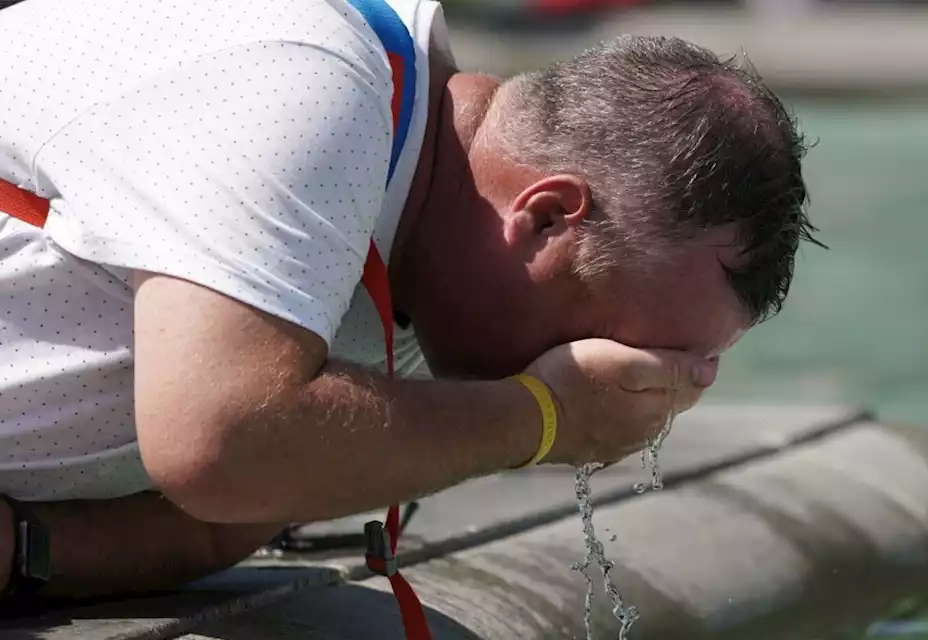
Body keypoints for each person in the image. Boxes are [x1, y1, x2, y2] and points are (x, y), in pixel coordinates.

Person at [0, 0, 816, 602]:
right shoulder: (304, 83)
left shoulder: (422, 262)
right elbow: (222, 444)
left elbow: (224, 519)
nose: (615, 377)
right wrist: (543, 416)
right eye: (612, 341)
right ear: (542, 217)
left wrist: (25, 550)